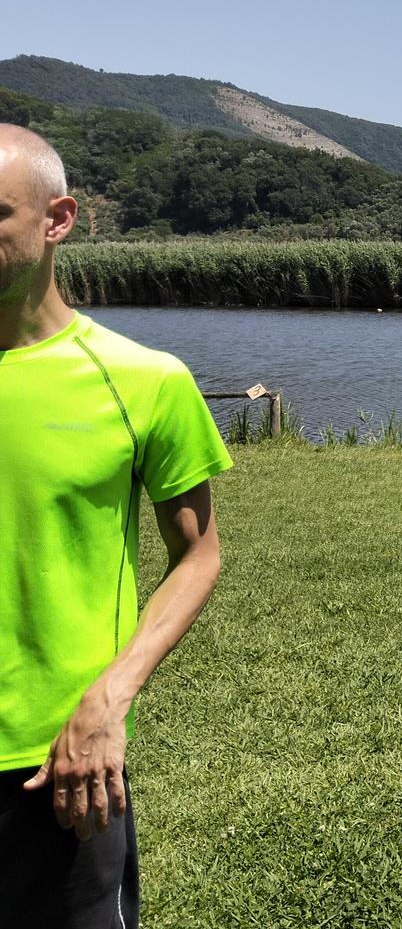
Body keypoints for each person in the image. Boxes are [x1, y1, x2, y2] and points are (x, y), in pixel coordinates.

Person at [0, 123, 231, 927]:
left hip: (57, 764)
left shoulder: (146, 382)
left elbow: (198, 556)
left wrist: (109, 699)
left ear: (56, 220)